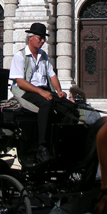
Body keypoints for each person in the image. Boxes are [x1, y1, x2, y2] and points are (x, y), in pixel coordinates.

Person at [9, 22, 66, 163]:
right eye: (40, 38)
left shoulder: (43, 56)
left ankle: (63, 142)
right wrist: (41, 92)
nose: (43, 41)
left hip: (43, 89)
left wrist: (59, 91)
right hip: (26, 91)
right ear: (31, 38)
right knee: (46, 104)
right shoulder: (20, 56)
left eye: (43, 38)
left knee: (66, 105)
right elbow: (20, 82)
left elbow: (52, 75)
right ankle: (42, 145)